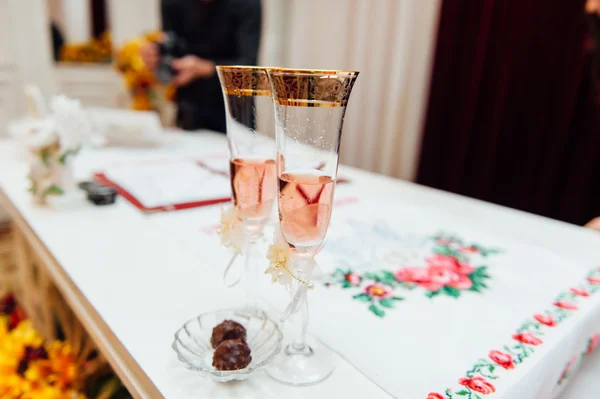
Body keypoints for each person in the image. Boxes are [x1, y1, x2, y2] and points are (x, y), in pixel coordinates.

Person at [141, 0, 262, 133]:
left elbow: (249, 72)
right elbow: (171, 50)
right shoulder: (172, 3)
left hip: (235, 112)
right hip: (189, 112)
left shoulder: (247, 4)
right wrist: (157, 55)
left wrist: (203, 68)